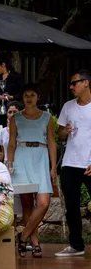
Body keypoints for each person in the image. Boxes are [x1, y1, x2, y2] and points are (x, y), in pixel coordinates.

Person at [6, 86, 55, 257]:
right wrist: (10, 163)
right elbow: (11, 143)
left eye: (32, 95)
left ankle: (23, 236)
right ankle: (35, 243)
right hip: (21, 157)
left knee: (43, 202)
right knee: (27, 204)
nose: (29, 98)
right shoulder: (16, 118)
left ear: (38, 97)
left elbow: (52, 142)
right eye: (26, 95)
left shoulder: (47, 117)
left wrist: (53, 167)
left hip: (41, 157)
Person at [55, 69, 91, 258]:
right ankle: (76, 245)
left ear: (86, 83)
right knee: (71, 207)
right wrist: (65, 131)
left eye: (74, 83)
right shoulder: (68, 106)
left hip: (89, 163)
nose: (71, 87)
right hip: (70, 163)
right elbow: (60, 134)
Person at [0, 53, 24, 126]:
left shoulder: (16, 77)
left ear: (3, 64)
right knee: (1, 129)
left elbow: (22, 94)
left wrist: (11, 97)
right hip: (1, 111)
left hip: (13, 110)